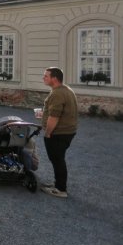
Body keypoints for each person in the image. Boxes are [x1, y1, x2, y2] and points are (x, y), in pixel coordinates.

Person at [40, 67, 78, 198]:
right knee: (58, 159)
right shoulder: (66, 90)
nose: (43, 78)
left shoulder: (57, 94)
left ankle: (60, 189)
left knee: (57, 159)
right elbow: (59, 112)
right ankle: (58, 184)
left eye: (46, 76)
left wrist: (48, 133)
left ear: (54, 78)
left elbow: (54, 117)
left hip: (59, 133)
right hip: (68, 131)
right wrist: (43, 114)